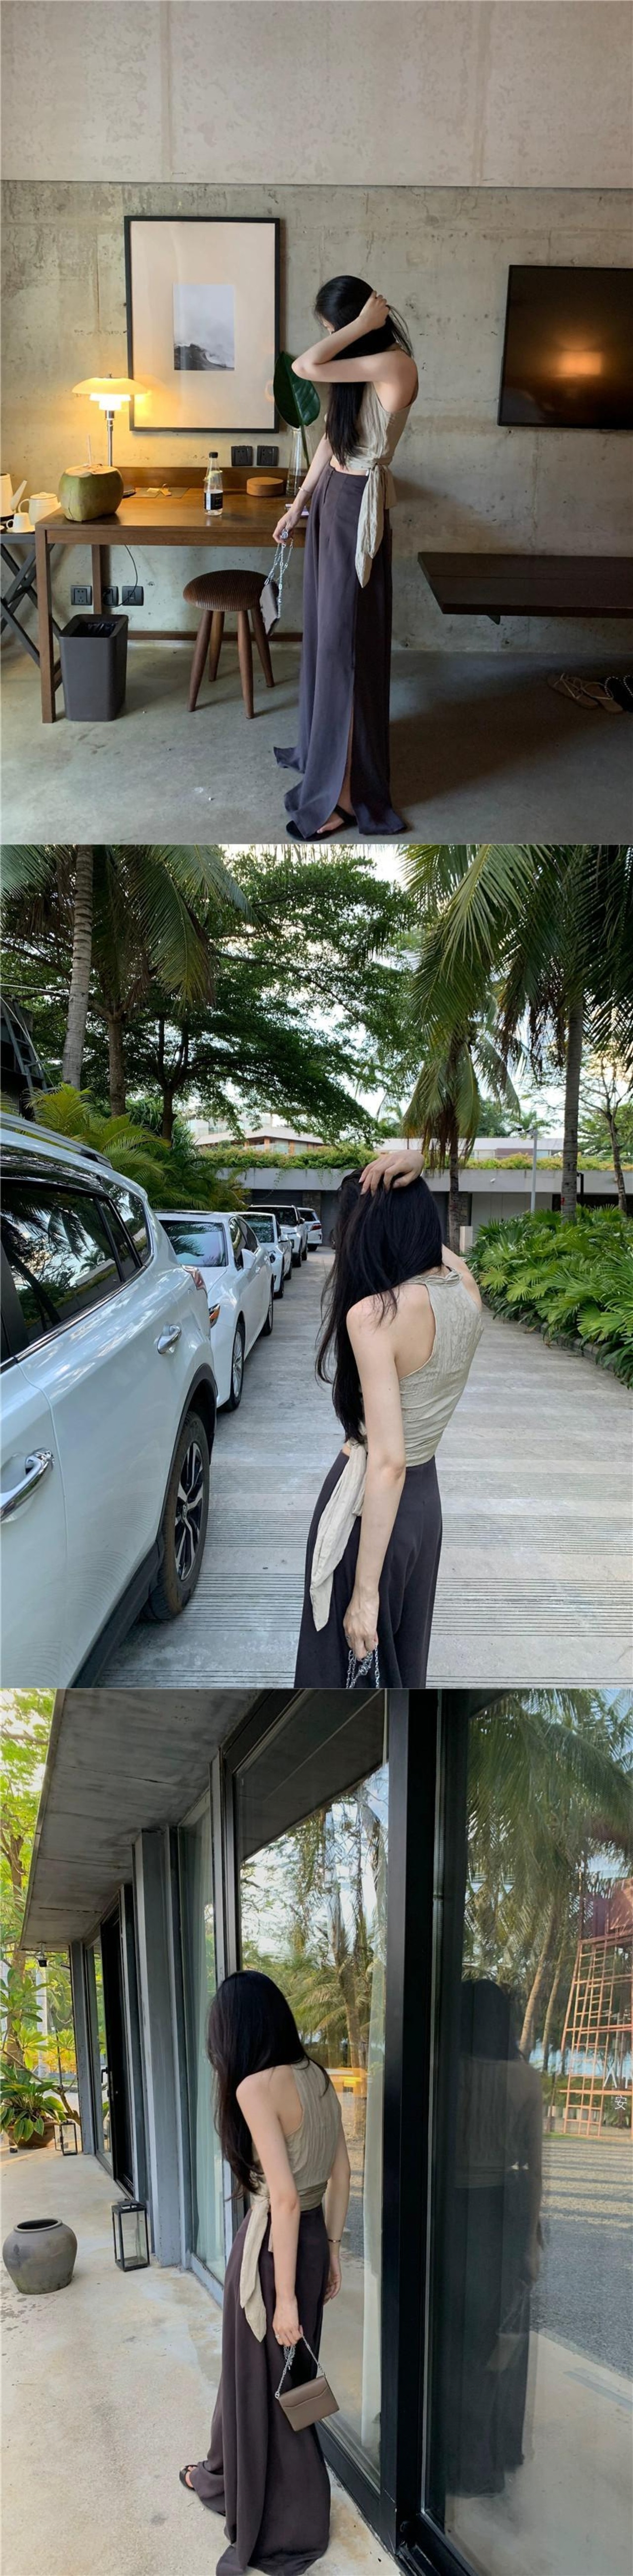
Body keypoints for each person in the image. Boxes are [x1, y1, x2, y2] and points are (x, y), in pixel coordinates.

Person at [180, 1969, 351, 2576]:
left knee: (272, 2387)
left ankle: (285, 2523)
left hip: (271, 2253)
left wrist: (283, 2298)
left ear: (234, 2032)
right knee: (279, 2378)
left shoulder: (256, 2086)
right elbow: (340, 2174)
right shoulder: (317, 2077)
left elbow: (281, 2198)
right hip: (308, 2245)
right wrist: (332, 2250)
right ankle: (222, 2472)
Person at [294, 1147, 484, 1687]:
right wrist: (416, 1173)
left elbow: (388, 1462)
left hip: (369, 1514)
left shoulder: (374, 1317)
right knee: (400, 1670)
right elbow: (439, 1254)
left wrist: (365, 1592)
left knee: (339, 1675)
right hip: (424, 1512)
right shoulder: (465, 1291)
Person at [272, 276, 418, 840]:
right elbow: (333, 439)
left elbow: (304, 367)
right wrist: (299, 503)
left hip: (359, 507)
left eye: (332, 326)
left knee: (346, 647)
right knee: (326, 637)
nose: (329, 336)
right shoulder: (360, 371)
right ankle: (324, 752)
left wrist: (359, 326)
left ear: (358, 323)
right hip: (334, 501)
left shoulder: (393, 365)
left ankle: (346, 794)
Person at [441, 1979, 543, 2500]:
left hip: (448, 2214)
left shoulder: (445, 2072)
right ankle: (488, 2457)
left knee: (449, 2338)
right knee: (493, 2342)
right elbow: (535, 2169)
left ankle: (444, 2453)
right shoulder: (525, 2079)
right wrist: (528, 2241)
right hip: (500, 2215)